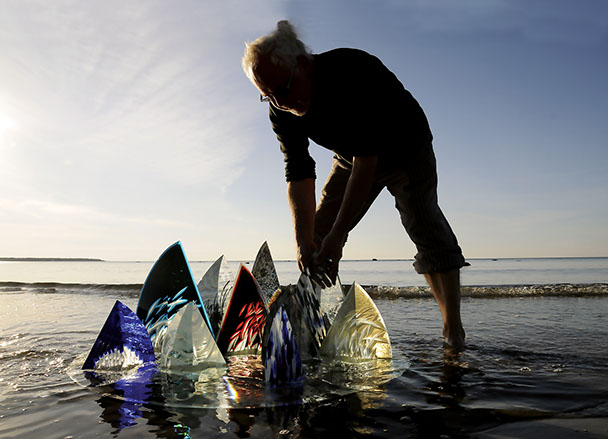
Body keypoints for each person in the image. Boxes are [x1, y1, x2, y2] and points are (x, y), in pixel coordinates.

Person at [242, 20, 466, 350]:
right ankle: (311, 331)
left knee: (424, 226)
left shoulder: (351, 71)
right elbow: (299, 171)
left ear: (303, 63)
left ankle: (453, 332)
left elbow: (367, 161)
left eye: (283, 90)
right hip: (351, 155)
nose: (280, 103)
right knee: (317, 237)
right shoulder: (281, 107)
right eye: (268, 96)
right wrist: (304, 239)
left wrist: (339, 236)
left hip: (406, 148)